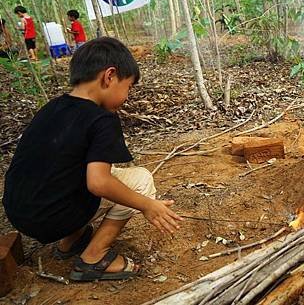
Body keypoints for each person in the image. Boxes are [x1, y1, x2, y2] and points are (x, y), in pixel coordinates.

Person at [2, 37, 182, 281]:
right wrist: (147, 205)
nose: (127, 96)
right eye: (128, 87)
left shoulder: (52, 107)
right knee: (139, 180)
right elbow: (98, 183)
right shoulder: (102, 120)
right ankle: (94, 257)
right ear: (109, 76)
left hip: (20, 211)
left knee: (71, 169)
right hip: (53, 217)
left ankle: (69, 243)